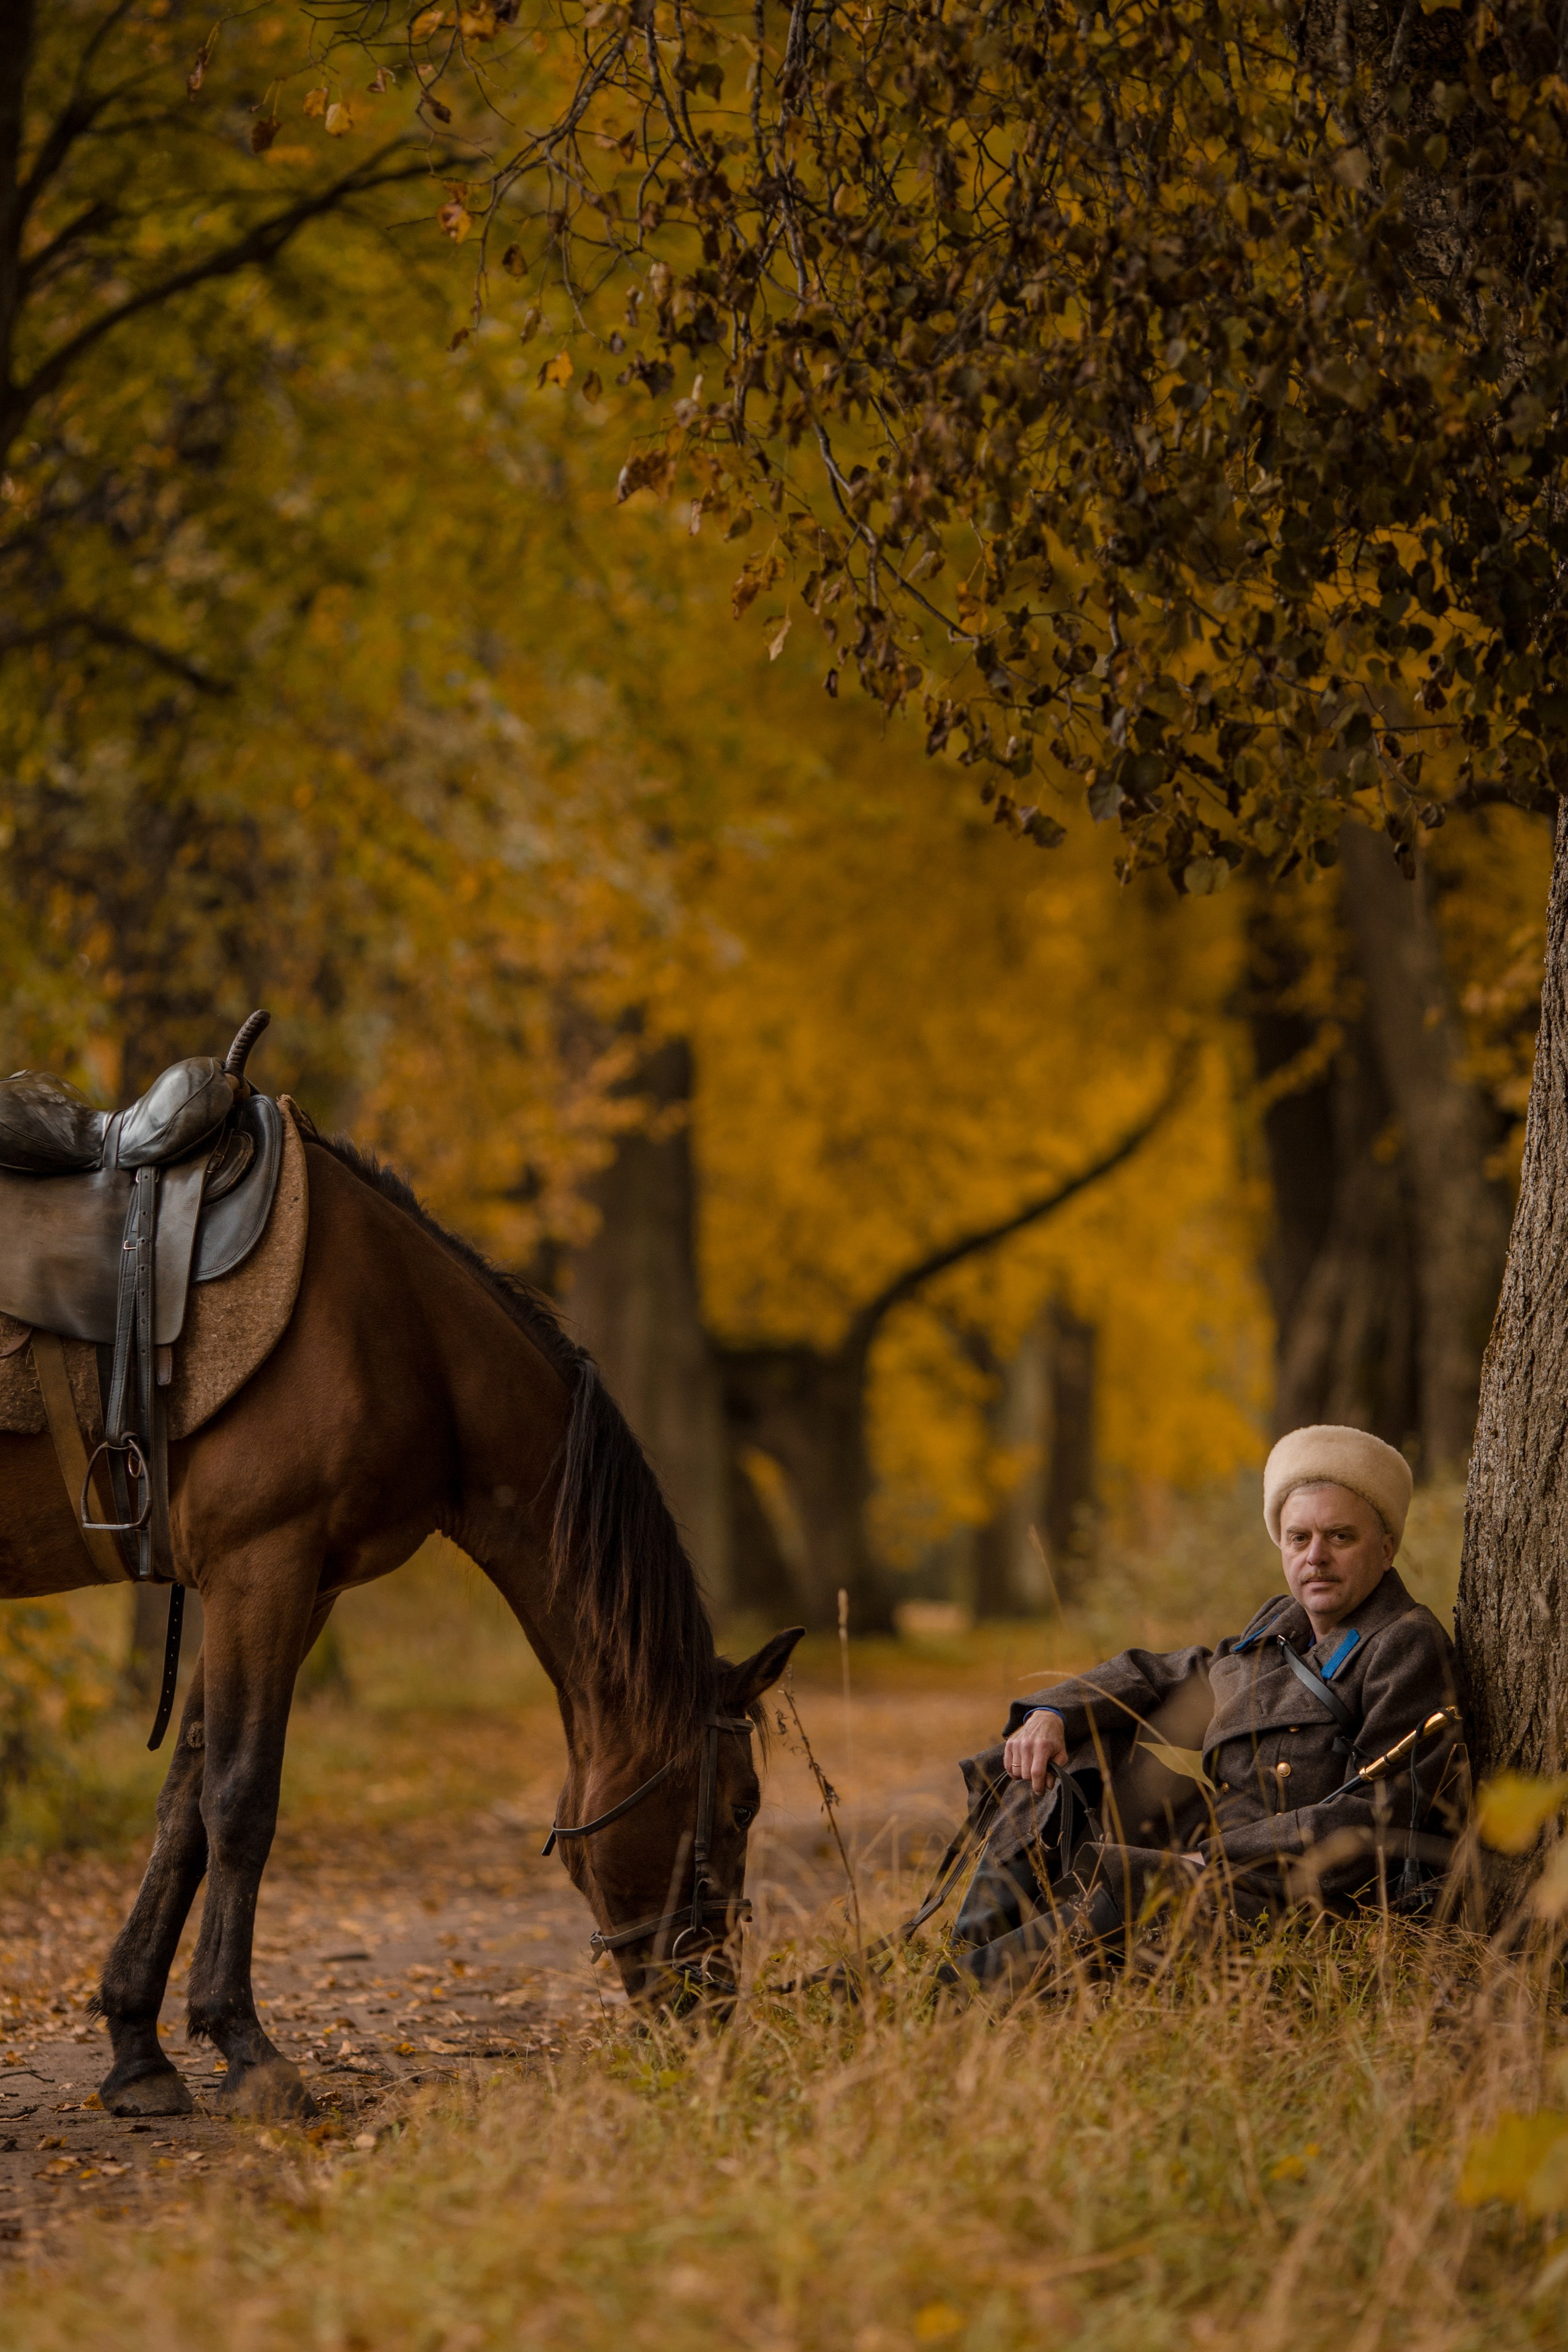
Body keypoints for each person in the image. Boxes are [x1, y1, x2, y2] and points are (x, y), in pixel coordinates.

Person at [945, 1425, 1466, 1990]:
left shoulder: (1406, 1642)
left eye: (1340, 1537)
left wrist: (1217, 1857)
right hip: (1218, 1845)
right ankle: (966, 1947)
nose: (1316, 1557)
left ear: (1387, 1547)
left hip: (1292, 1888)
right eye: (1299, 1539)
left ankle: (955, 1993)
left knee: (1136, 1890)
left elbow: (1375, 1820)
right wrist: (1052, 1714)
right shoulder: (1281, 1625)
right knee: (1062, 1751)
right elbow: (1167, 1677)